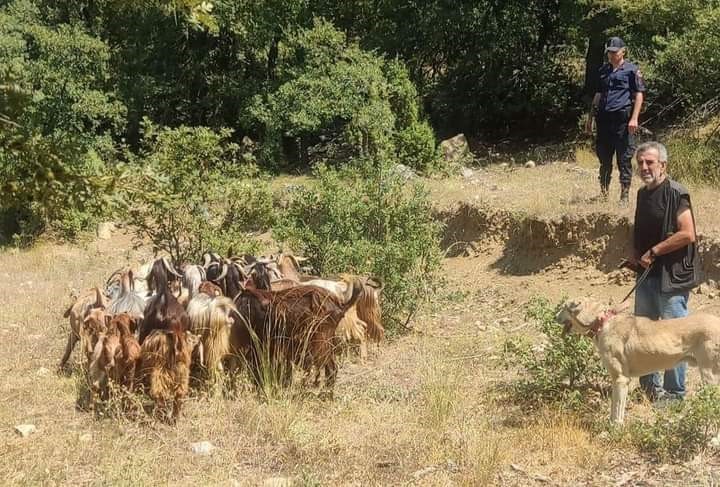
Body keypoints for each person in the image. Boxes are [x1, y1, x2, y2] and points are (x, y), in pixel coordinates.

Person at [629, 141, 701, 402]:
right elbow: (640, 229)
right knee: (643, 333)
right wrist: (636, 253)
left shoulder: (676, 193)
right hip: (647, 275)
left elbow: (687, 234)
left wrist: (655, 251)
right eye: (640, 163)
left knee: (673, 338)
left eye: (649, 162)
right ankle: (648, 388)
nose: (644, 167)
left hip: (673, 277)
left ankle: (673, 394)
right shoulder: (642, 193)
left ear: (663, 164)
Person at [586, 37, 646, 203]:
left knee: (624, 159)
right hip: (604, 121)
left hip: (622, 121)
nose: (611, 55)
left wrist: (634, 118)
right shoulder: (603, 71)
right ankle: (603, 193)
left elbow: (639, 94)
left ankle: (624, 195)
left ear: (623, 52)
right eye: (609, 52)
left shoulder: (631, 71)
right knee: (604, 158)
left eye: (615, 52)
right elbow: (598, 95)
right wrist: (590, 118)